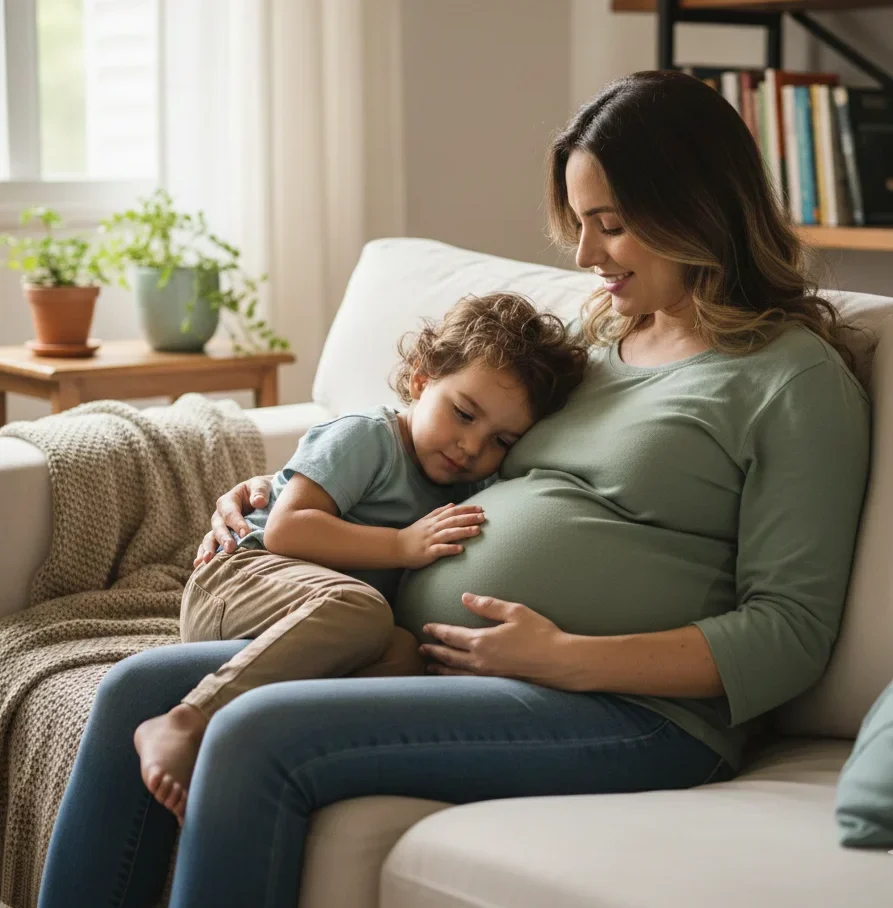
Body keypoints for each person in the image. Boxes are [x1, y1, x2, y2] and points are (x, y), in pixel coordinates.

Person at [39, 70, 870, 908]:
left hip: (632, 711)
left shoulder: (791, 381)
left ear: (694, 209)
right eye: (579, 226)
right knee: (134, 693)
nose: (584, 256)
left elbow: (788, 631)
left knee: (256, 734)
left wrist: (568, 660)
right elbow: (436, 447)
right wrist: (292, 486)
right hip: (428, 654)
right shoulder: (594, 334)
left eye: (609, 227)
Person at [134, 292, 589, 822]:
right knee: (365, 608)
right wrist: (399, 546)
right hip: (239, 579)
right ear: (421, 380)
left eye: (500, 440)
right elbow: (286, 529)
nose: (471, 446)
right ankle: (186, 721)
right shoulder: (367, 437)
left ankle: (278, 748)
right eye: (463, 413)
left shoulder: (476, 483)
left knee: (402, 654)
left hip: (306, 620)